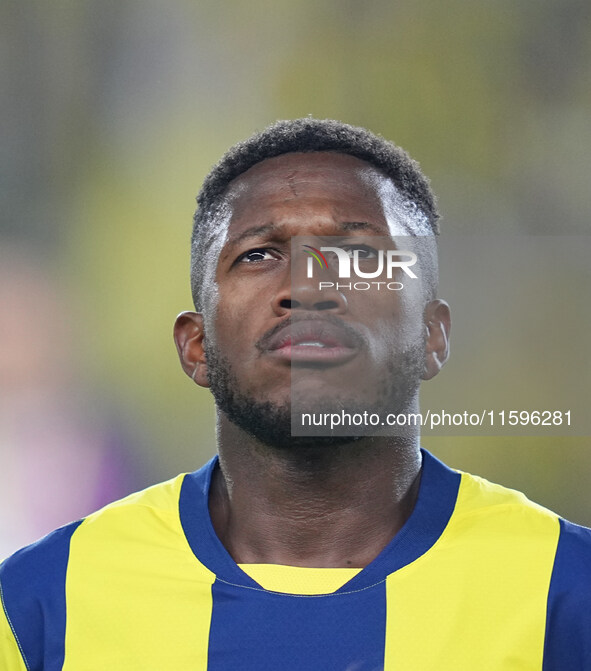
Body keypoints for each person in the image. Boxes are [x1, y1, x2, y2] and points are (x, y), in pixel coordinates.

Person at [1, 119, 589, 670]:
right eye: (259, 255)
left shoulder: (569, 592)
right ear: (196, 346)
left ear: (431, 336)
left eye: (358, 254)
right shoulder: (36, 609)